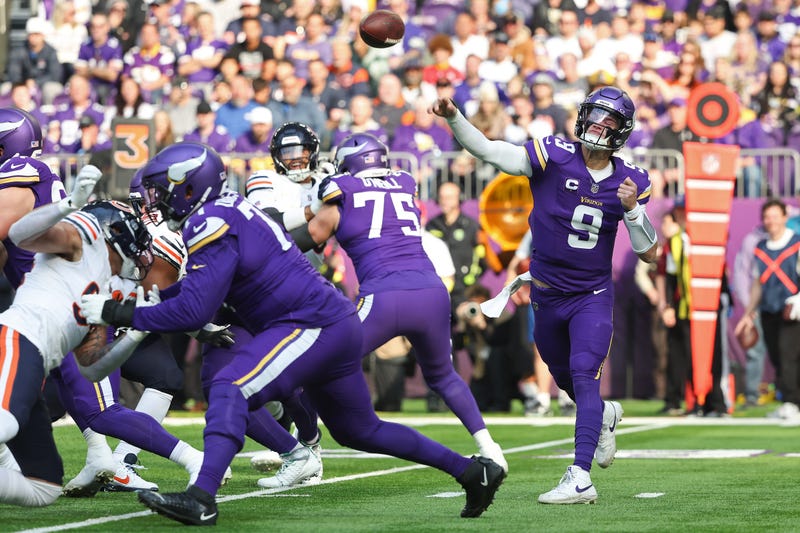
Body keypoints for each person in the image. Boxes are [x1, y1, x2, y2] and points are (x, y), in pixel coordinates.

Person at [79, 141, 505, 525]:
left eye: (160, 189)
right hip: (328, 322)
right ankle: (472, 471)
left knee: (229, 387)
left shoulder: (210, 220)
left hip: (312, 324)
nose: (156, 199)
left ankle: (202, 496)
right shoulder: (229, 209)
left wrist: (118, 310)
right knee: (361, 431)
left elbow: (194, 306)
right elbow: (205, 299)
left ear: (188, 188)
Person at [432, 85, 658, 504]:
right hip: (547, 294)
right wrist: (453, 117)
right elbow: (488, 150)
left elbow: (649, 254)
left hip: (591, 294)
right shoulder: (553, 155)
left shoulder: (632, 180)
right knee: (564, 377)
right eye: (595, 114)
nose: (598, 124)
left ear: (622, 130)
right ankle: (604, 415)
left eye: (609, 120)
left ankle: (580, 477)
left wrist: (634, 210)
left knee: (585, 374)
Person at [296, 132, 506, 470]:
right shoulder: (405, 182)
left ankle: (302, 452)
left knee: (311, 363)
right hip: (431, 291)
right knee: (443, 375)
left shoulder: (340, 190)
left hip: (385, 295)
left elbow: (313, 235)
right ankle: (490, 448)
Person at [0, 167, 156, 507]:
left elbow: (92, 367)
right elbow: (18, 234)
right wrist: (68, 204)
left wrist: (136, 335)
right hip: (18, 337)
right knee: (5, 425)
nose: (134, 261)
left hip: (37, 359)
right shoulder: (77, 242)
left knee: (44, 487)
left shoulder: (100, 289)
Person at [735, 199, 800, 421]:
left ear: (784, 217)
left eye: (774, 216)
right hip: (768, 310)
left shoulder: (796, 243)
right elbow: (757, 283)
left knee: (788, 354)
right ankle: (790, 402)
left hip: (792, 311)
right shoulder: (760, 248)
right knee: (777, 357)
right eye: (766, 217)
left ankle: (792, 402)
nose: (770, 221)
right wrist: (748, 313)